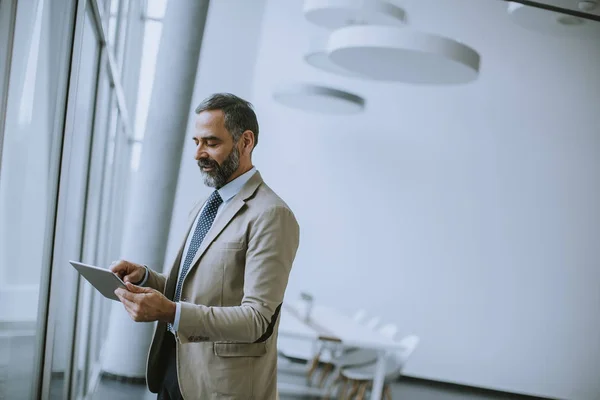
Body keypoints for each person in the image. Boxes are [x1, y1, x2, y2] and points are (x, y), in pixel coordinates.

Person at [110, 93, 300, 400]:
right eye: (196, 142)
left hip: (220, 387)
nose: (199, 153)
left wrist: (171, 312)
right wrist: (145, 278)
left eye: (211, 143)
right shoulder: (204, 206)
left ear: (246, 142)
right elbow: (195, 290)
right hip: (175, 372)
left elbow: (257, 320)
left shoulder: (271, 215)